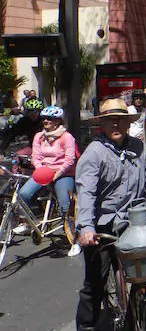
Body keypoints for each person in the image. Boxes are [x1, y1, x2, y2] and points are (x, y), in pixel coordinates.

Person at [74, 98, 146, 331]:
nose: (115, 123)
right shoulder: (94, 153)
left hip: (136, 219)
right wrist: (86, 228)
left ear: (128, 123)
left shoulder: (139, 148)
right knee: (94, 283)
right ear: (102, 124)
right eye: (110, 119)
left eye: (121, 119)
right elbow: (87, 193)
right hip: (102, 224)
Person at [14, 106, 79, 256]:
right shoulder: (39, 136)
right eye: (44, 118)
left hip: (63, 172)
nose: (46, 121)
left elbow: (70, 159)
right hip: (45, 171)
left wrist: (57, 173)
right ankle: (26, 224)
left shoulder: (66, 136)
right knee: (23, 194)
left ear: (57, 121)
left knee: (65, 206)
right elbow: (36, 157)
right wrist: (40, 169)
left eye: (49, 119)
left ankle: (74, 240)